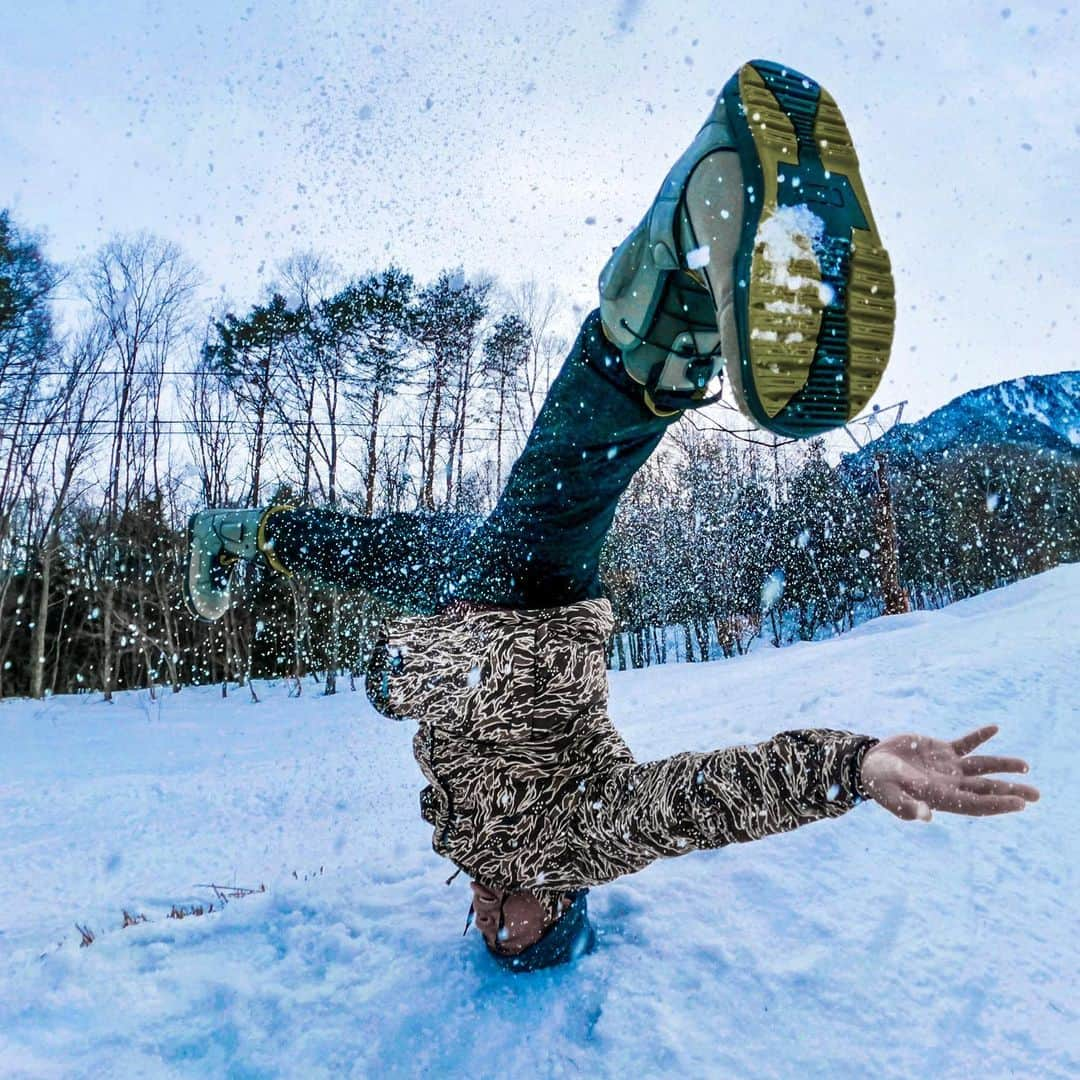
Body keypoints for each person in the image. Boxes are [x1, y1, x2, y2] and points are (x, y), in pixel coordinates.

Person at [183, 61, 1039, 972]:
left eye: (488, 935)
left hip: (470, 605)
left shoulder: (472, 847)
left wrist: (418, 672)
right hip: (523, 616)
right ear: (554, 909)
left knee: (371, 551)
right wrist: (849, 767)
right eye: (513, 935)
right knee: (568, 475)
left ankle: (248, 530)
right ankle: (681, 271)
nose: (487, 923)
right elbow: (697, 800)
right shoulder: (567, 844)